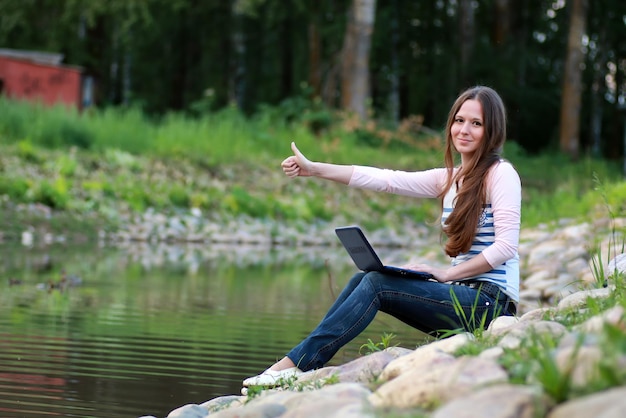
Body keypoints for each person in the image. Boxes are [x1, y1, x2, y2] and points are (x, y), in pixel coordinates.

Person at [242, 85, 521, 391]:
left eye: (476, 123)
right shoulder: (452, 179)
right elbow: (386, 179)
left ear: (492, 130)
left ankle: (294, 366)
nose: (464, 130)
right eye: (459, 120)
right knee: (366, 277)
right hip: (462, 297)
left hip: (490, 305)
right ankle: (294, 365)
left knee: (377, 285)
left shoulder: (501, 174)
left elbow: (506, 246)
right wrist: (314, 169)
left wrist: (445, 274)